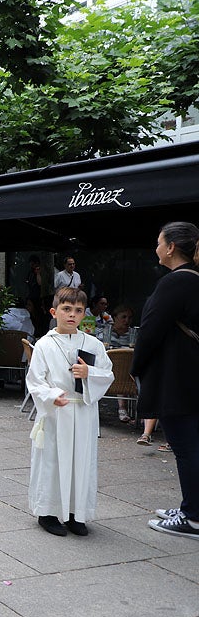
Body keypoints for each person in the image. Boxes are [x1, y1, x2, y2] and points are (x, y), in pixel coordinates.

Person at [26, 287, 114, 537]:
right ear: (55, 312)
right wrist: (52, 396)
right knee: (52, 461)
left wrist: (90, 374)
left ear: (84, 314)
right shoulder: (44, 344)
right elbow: (35, 380)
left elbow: (108, 374)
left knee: (81, 461)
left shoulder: (93, 344)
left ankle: (76, 513)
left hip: (83, 409)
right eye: (66, 309)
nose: (72, 315)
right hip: (57, 411)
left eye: (78, 310)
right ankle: (48, 512)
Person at [132, 222, 199, 540]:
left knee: (186, 447)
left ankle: (193, 517)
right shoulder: (193, 280)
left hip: (178, 377)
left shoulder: (176, 282)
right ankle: (191, 506)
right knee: (190, 444)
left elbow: (150, 329)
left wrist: (136, 365)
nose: (156, 247)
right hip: (190, 375)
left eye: (159, 242)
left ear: (171, 246)